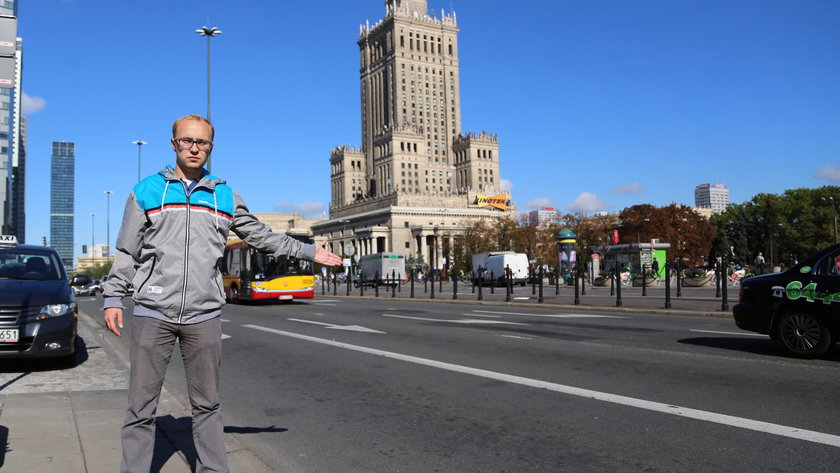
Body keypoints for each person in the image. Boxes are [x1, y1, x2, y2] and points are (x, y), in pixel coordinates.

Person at [102, 114, 342, 473]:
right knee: (141, 408)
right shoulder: (146, 191)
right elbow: (127, 250)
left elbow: (261, 235)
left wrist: (307, 250)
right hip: (153, 312)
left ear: (211, 148)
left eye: (202, 143)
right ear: (174, 144)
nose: (194, 148)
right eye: (187, 141)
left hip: (204, 316)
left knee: (208, 406)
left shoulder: (224, 195)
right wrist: (112, 297)